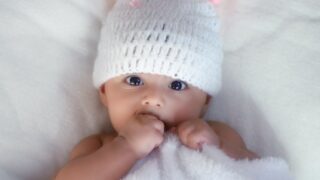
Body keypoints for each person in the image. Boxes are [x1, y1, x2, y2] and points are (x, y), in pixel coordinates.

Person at [55, 0, 258, 179]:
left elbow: (257, 171)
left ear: (205, 101)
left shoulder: (218, 134)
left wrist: (215, 147)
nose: (153, 98)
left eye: (177, 85)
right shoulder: (101, 145)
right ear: (104, 92)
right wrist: (127, 147)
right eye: (134, 80)